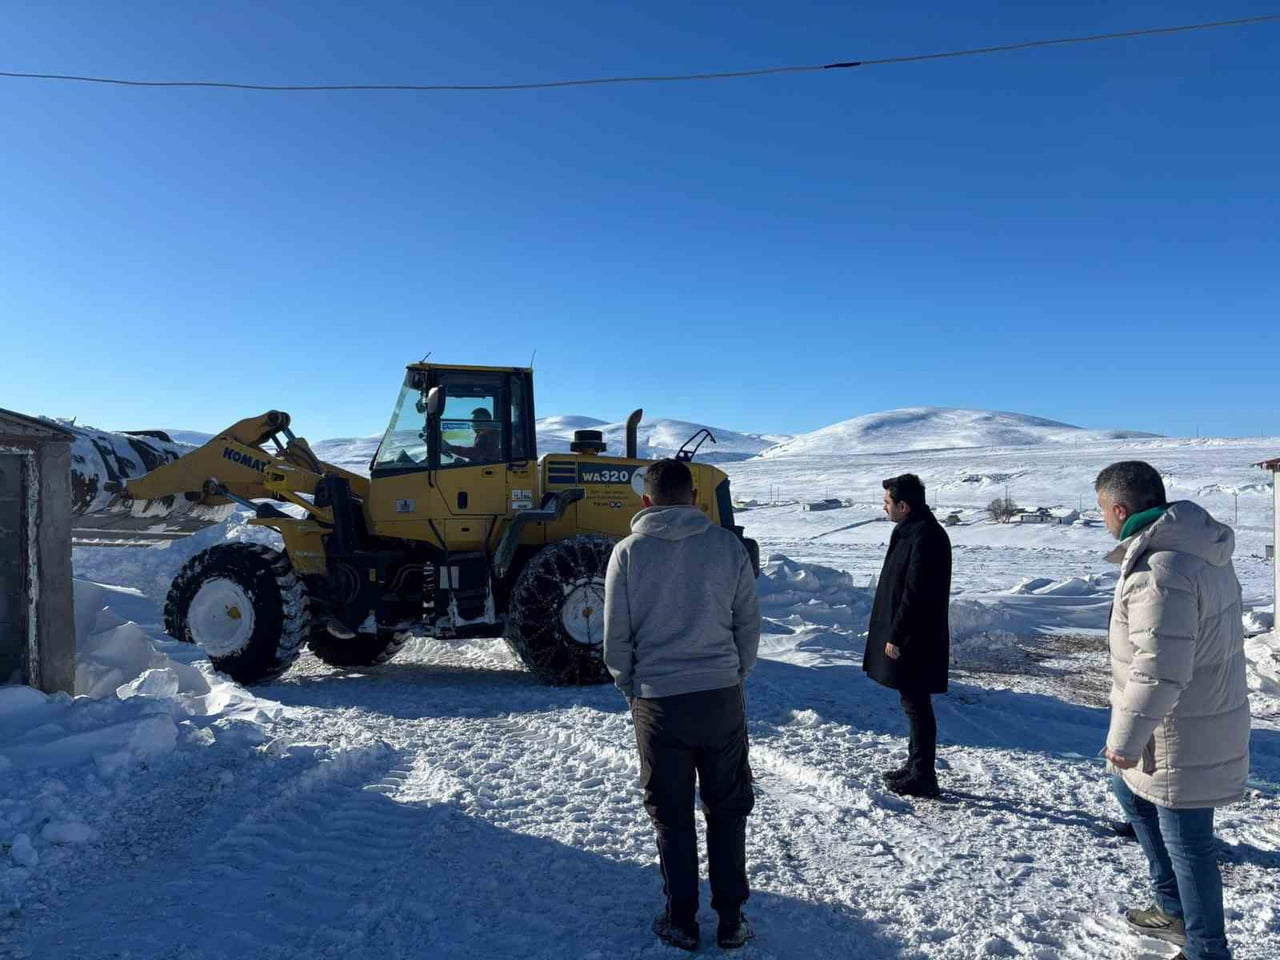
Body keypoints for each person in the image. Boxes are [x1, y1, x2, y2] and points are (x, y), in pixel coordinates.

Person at [603, 458, 760, 952]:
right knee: (727, 808)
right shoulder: (726, 547)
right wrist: (733, 674)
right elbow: (747, 624)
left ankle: (682, 919)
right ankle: (732, 919)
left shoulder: (628, 553)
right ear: (695, 497)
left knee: (671, 814)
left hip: (659, 702)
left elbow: (616, 638)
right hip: (719, 698)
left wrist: (631, 687)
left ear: (645, 501)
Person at [1096, 461, 1248, 960]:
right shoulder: (1192, 549)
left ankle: (1206, 948)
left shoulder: (1162, 570)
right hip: (1188, 716)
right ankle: (1173, 907)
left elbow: (1159, 670)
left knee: (1189, 843)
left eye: (1102, 510)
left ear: (1119, 510)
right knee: (1128, 792)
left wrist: (1125, 739)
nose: (1103, 519)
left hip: (1179, 730)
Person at [864, 473, 952, 799]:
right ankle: (916, 765)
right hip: (911, 634)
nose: (884, 507)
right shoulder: (911, 531)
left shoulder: (925, 537)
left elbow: (915, 593)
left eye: (888, 503)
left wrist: (897, 635)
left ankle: (924, 776)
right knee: (911, 701)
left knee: (917, 704)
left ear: (904, 505)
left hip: (916, 637)